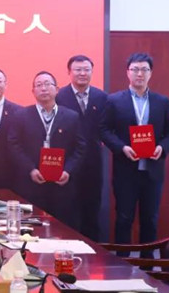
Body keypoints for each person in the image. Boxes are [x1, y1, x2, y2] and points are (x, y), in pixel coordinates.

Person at [100, 52, 169, 255]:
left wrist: (162, 147)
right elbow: (104, 130)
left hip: (153, 171)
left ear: (150, 73)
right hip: (125, 170)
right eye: (135, 69)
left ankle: (148, 263)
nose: (139, 74)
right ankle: (122, 262)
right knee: (124, 218)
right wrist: (122, 148)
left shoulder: (162, 102)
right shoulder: (114, 100)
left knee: (150, 219)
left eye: (144, 69)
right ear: (127, 72)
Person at [6, 71, 85, 229]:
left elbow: (80, 147)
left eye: (48, 84)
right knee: (32, 228)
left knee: (61, 229)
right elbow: (13, 145)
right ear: (33, 91)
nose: (43, 88)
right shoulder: (21, 115)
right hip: (31, 183)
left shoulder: (71, 116)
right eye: (39, 85)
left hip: (61, 184)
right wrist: (30, 169)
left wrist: (68, 171)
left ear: (57, 89)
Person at [55, 54, 109, 241]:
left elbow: (106, 127)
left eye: (86, 70)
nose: (82, 73)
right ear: (69, 72)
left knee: (92, 209)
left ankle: (93, 251)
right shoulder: (60, 96)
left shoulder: (102, 97)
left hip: (93, 162)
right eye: (78, 70)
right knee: (67, 210)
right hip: (67, 162)